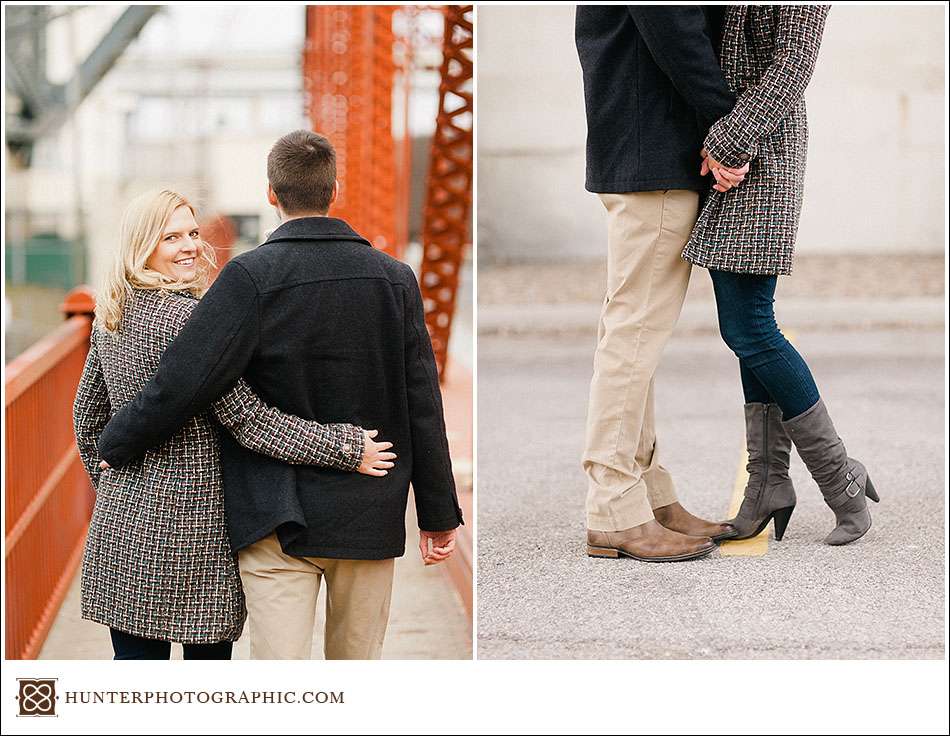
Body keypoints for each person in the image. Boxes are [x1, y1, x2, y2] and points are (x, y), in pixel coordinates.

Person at [96, 130, 464, 659]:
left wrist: (116, 443)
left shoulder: (247, 277)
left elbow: (184, 380)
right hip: (368, 510)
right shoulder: (396, 279)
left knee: (277, 682)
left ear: (271, 194)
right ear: (334, 189)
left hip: (276, 516)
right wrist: (438, 512)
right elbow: (422, 403)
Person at [73, 189, 394, 660]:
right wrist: (344, 446)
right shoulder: (195, 319)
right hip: (196, 533)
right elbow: (247, 419)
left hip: (122, 526)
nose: (189, 246)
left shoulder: (111, 315)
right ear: (141, 246)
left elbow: (88, 420)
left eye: (192, 234)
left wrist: (111, 485)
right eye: (170, 238)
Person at [684, 5, 879, 546]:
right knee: (749, 327)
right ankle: (768, 484)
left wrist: (729, 142)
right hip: (736, 153)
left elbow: (791, 68)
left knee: (749, 328)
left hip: (761, 155)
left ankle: (842, 482)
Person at [574, 7, 746, 562]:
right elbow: (676, 30)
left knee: (631, 333)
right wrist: (728, 126)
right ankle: (613, 506)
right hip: (656, 151)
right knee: (633, 337)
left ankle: (647, 493)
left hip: (637, 146)